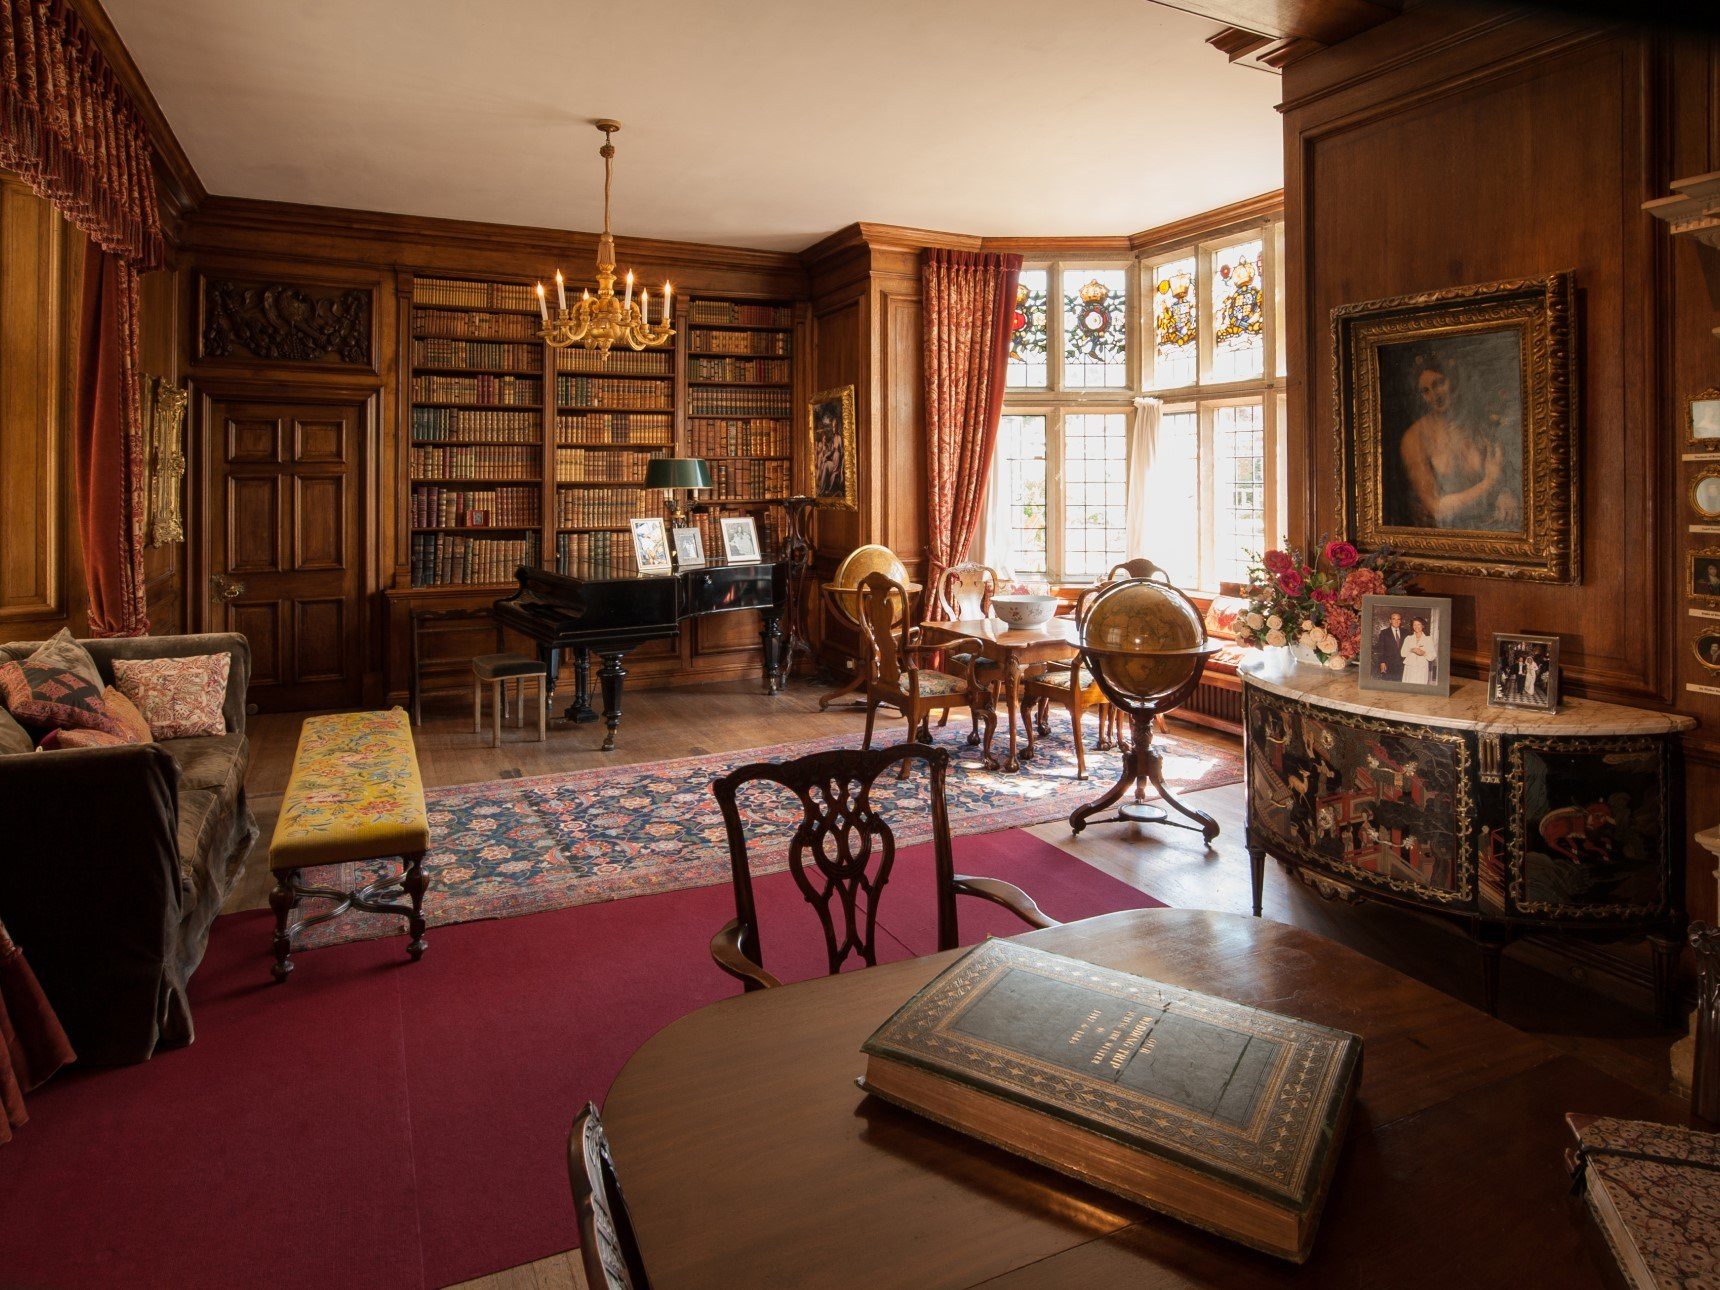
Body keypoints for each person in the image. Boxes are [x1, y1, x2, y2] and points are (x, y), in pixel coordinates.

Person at [1398, 354, 1521, 532]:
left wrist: (1505, 492)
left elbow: (1503, 475)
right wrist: (1489, 484)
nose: (1435, 395)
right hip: (1447, 534)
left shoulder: (1479, 425)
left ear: (1454, 381)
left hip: (1491, 527)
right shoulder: (1414, 437)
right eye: (1426, 391)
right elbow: (1436, 509)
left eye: (1439, 383)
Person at [1401, 616, 1436, 686]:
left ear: (1423, 626)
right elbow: (1402, 653)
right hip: (1409, 667)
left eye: (1419, 624)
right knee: (1408, 687)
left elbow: (1432, 656)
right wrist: (1411, 650)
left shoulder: (1428, 639)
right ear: (1412, 626)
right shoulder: (1408, 638)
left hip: (1422, 668)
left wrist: (1423, 653)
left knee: (1420, 687)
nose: (1416, 626)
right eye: (1414, 625)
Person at [1373, 610, 1406, 681]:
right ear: (1390, 621)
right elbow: (1381, 649)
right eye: (1394, 619)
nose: (1396, 621)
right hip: (1388, 664)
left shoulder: (1405, 632)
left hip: (1402, 665)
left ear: (1400, 621)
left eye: (1398, 619)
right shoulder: (1384, 633)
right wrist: (1382, 662)